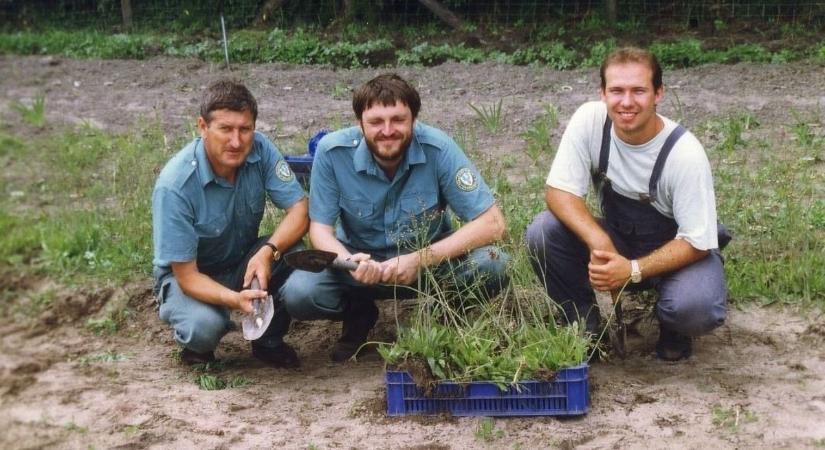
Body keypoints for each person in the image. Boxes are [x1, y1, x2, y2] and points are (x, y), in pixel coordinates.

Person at [281, 73, 510, 362]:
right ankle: (358, 311)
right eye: (376, 122)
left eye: (398, 120)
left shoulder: (438, 148)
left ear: (414, 120)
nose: (387, 130)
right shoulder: (332, 152)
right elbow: (321, 230)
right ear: (359, 123)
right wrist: (349, 263)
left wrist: (419, 259)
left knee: (495, 262)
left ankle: (442, 314)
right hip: (360, 266)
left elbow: (494, 223)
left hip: (429, 267)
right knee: (300, 293)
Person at [525, 47, 730, 361]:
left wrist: (631, 271)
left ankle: (673, 325)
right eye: (617, 90)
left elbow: (697, 241)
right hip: (620, 239)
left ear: (658, 93)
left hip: (682, 252)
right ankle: (584, 327)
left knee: (695, 308)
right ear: (603, 93)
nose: (627, 102)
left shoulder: (684, 153)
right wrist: (600, 241)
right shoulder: (590, 121)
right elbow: (558, 192)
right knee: (544, 231)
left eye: (639, 90)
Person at [152, 79, 308, 368]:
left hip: (241, 260)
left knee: (291, 249)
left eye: (245, 129)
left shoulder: (260, 150)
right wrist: (235, 301)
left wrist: (267, 251)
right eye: (225, 129)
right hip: (191, 275)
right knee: (203, 327)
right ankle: (198, 347)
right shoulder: (175, 185)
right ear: (203, 127)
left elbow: (300, 208)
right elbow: (186, 276)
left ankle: (267, 340)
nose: (236, 142)